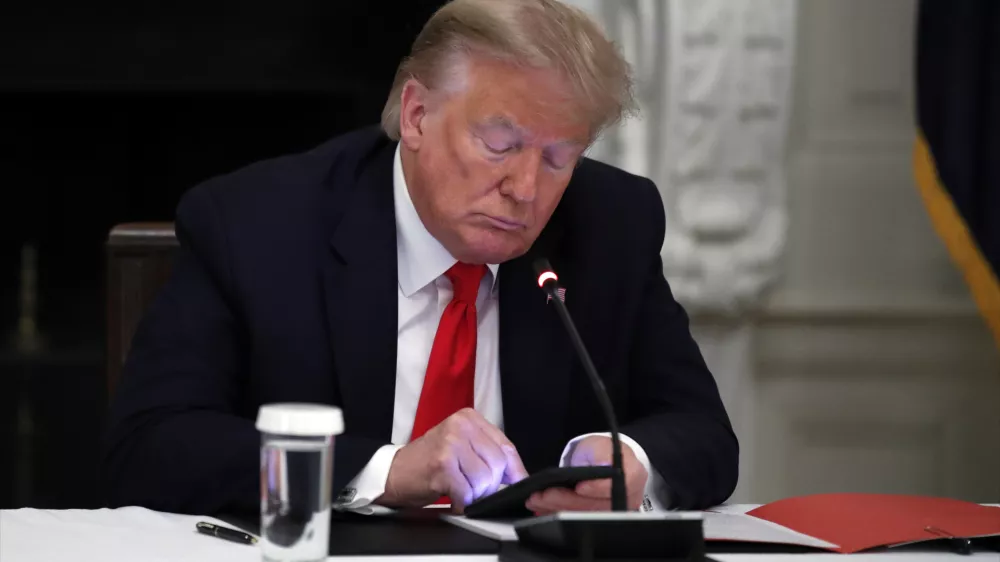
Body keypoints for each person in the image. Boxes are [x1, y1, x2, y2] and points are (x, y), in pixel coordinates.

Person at [103, 0, 738, 516]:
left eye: (557, 158)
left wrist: (631, 459)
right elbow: (150, 445)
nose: (525, 188)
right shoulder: (258, 224)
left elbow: (704, 435)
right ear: (416, 115)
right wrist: (386, 469)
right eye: (499, 143)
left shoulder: (611, 224)